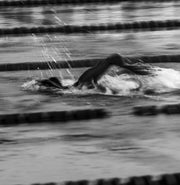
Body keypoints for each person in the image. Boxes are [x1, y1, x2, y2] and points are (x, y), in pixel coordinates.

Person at [37, 53, 157, 90]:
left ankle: (149, 72)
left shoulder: (82, 81)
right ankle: (149, 72)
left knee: (128, 67)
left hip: (110, 60)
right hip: (109, 61)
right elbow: (95, 82)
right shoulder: (82, 81)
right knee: (129, 68)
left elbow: (95, 81)